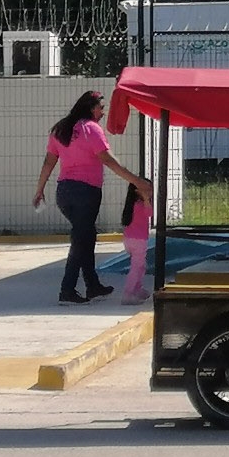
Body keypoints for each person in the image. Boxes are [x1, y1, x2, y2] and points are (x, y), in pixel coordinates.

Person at [33, 90, 151, 305]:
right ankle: (67, 290)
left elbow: (49, 162)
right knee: (81, 241)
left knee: (86, 236)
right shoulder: (91, 129)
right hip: (85, 193)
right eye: (101, 108)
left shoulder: (61, 128)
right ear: (91, 108)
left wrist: (39, 189)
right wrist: (137, 181)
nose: (103, 112)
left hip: (65, 193)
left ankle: (92, 285)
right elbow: (109, 161)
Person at [119, 184, 151, 306]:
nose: (150, 192)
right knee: (136, 268)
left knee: (140, 266)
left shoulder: (131, 205)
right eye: (147, 189)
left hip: (129, 239)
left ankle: (137, 289)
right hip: (139, 241)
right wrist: (147, 199)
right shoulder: (140, 205)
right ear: (138, 191)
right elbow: (149, 213)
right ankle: (128, 294)